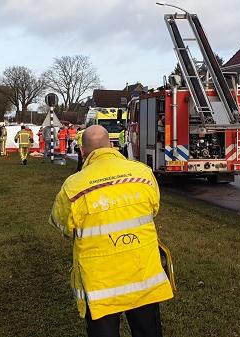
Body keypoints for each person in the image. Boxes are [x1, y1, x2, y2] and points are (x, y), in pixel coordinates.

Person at [49, 125, 174, 337]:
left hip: (101, 286)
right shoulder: (143, 174)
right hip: (143, 276)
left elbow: (62, 225)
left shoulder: (73, 186)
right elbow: (153, 209)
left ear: (82, 151)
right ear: (111, 145)